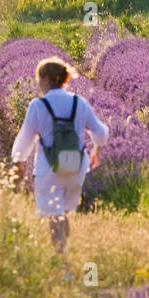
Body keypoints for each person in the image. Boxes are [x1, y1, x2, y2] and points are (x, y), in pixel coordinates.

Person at [11, 57, 108, 279]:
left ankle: (63, 268)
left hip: (49, 169)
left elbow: (23, 142)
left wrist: (18, 166)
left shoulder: (38, 105)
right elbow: (101, 133)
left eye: (38, 79)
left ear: (46, 79)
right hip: (76, 167)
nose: (38, 84)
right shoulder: (79, 102)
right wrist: (96, 151)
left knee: (54, 216)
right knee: (63, 213)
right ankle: (66, 256)